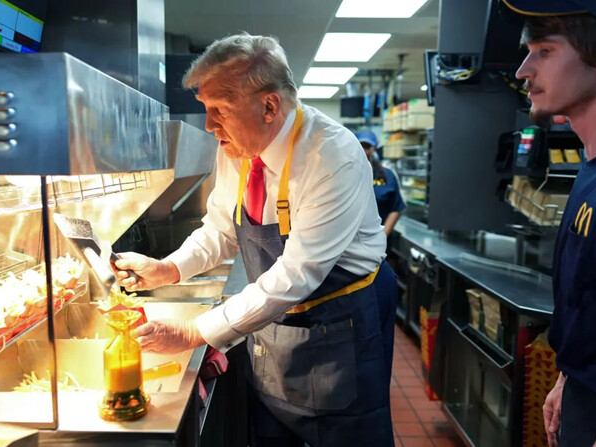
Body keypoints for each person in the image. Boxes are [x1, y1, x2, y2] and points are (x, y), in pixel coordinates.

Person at [113, 33, 397, 446]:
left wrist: (194, 332)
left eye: (220, 111)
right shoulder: (238, 148)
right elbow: (221, 228)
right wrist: (168, 268)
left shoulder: (330, 155)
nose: (209, 126)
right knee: (272, 430)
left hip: (342, 316)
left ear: (269, 106)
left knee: (345, 432)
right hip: (276, 316)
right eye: (205, 110)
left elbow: (298, 274)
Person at [502, 1, 596, 446]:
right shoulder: (595, 167)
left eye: (545, 51)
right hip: (587, 397)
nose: (522, 71)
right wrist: (568, 377)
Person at [355, 129, 406, 235]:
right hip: (351, 242)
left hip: (379, 240)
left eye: (367, 146)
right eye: (361, 146)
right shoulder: (345, 174)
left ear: (374, 149)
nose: (364, 151)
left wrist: (381, 238)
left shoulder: (387, 176)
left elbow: (395, 208)